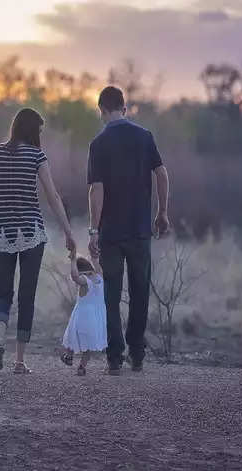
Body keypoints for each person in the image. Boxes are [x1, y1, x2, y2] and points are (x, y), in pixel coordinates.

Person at [0, 108, 76, 374]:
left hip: (0, 231)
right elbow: (53, 197)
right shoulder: (36, 156)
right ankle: (19, 361)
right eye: (39, 131)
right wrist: (68, 231)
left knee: (3, 292)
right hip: (31, 232)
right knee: (26, 295)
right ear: (32, 130)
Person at [87, 86, 171, 375]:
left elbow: (96, 190)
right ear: (124, 108)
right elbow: (161, 174)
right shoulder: (144, 137)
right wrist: (162, 212)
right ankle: (136, 353)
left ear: (102, 110)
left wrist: (93, 230)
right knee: (139, 292)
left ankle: (114, 357)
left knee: (110, 294)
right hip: (139, 231)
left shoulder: (98, 144)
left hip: (110, 233)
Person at [60, 252, 107, 376]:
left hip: (82, 316)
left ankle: (69, 356)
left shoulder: (85, 281)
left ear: (81, 271)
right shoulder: (100, 278)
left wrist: (73, 261)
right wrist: (94, 257)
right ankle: (81, 367)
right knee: (88, 346)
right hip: (97, 318)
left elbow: (75, 276)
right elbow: (97, 266)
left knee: (72, 336)